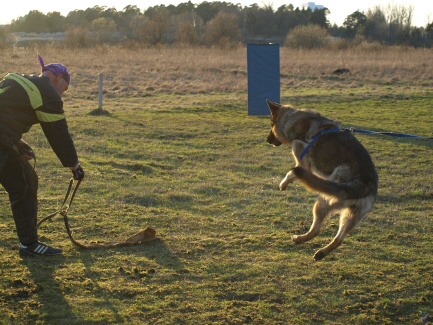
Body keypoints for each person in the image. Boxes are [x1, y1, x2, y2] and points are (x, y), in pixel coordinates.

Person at [0, 54, 84, 257]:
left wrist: (16, 143)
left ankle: (29, 243)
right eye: (64, 89)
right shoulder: (47, 92)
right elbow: (59, 135)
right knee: (25, 183)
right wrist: (74, 165)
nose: (62, 95)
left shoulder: (18, 81)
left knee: (26, 180)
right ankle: (29, 244)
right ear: (58, 77)